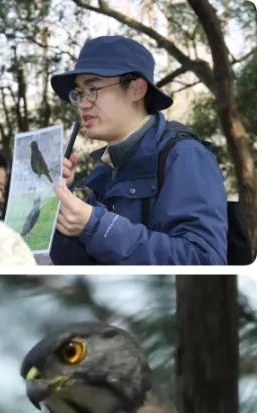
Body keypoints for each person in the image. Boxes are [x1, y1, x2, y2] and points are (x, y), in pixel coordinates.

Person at [49, 35, 227, 265]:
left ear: (136, 89)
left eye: (92, 88)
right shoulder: (105, 172)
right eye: (79, 93)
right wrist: (62, 202)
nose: (82, 103)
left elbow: (205, 260)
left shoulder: (184, 156)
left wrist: (95, 225)